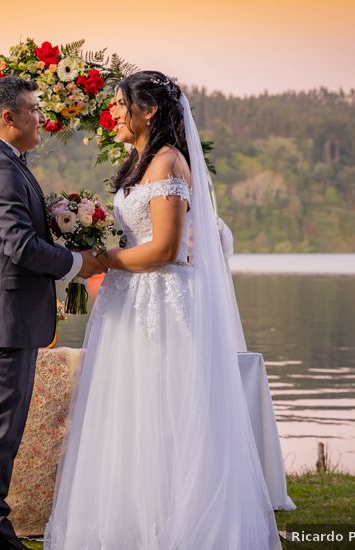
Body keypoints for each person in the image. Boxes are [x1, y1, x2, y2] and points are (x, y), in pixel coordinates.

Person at [44, 71, 282, 549]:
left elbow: (167, 250)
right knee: (129, 409)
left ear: (148, 110)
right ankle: (138, 522)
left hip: (162, 302)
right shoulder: (140, 161)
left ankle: (178, 523)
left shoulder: (168, 163)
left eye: (119, 104)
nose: (112, 113)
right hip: (131, 300)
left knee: (161, 406)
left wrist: (98, 260)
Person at [0, 76, 106, 550]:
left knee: (2, 439)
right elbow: (20, 247)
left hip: (9, 323)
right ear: (9, 117)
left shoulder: (5, 161)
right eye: (35, 110)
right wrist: (77, 263)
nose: (42, 118)